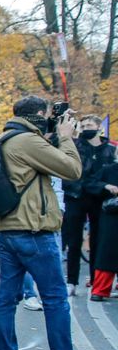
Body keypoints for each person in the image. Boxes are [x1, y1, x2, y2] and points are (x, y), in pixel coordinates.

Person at [0, 96, 111, 350]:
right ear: (38, 116)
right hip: (33, 231)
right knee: (56, 298)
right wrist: (67, 138)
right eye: (47, 115)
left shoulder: (5, 138)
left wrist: (54, 134)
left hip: (6, 230)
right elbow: (71, 170)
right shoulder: (28, 142)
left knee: (7, 298)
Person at [62, 114, 115, 296]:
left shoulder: (109, 150)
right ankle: (71, 281)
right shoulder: (76, 146)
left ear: (99, 127)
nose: (85, 128)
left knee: (98, 242)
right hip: (75, 197)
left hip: (99, 200)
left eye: (89, 125)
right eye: (83, 126)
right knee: (73, 242)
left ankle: (95, 281)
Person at [91, 155, 118, 301]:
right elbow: (90, 183)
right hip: (112, 218)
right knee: (107, 252)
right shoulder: (109, 170)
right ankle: (100, 289)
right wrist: (106, 186)